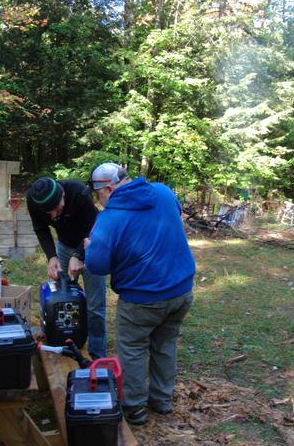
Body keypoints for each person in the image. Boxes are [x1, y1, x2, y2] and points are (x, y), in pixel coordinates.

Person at [84, 163, 195, 425]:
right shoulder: (163, 192)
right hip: (181, 290)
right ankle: (162, 400)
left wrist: (90, 248)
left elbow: (97, 266)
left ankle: (134, 408)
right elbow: (172, 217)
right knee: (165, 344)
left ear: (108, 188)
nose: (99, 202)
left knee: (133, 349)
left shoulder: (110, 218)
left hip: (142, 297)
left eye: (98, 195)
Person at [27, 177, 107, 359]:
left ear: (63, 194)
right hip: (64, 246)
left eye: (57, 209)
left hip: (91, 246)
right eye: (49, 212)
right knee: (61, 298)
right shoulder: (33, 199)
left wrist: (79, 256)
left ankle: (97, 355)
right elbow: (41, 229)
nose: (54, 216)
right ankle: (65, 339)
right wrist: (51, 256)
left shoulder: (78, 193)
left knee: (95, 306)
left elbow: (95, 227)